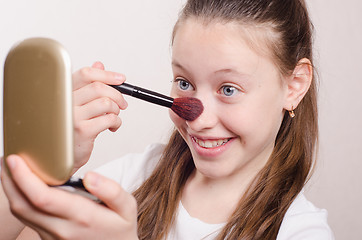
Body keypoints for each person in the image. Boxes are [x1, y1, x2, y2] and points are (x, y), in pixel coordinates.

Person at [0, 0, 334, 239]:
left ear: (294, 86)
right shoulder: (138, 175)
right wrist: (46, 160)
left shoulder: (301, 231)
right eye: (185, 83)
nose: (199, 121)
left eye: (228, 89)